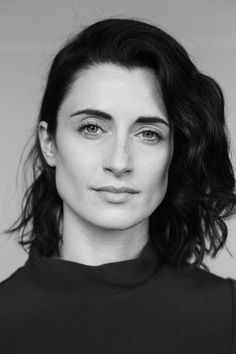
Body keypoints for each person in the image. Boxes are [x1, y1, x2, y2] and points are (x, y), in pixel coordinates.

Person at [0, 17, 235, 354]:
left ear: (174, 151)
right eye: (92, 128)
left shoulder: (226, 315)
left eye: (149, 134)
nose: (120, 162)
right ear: (49, 142)